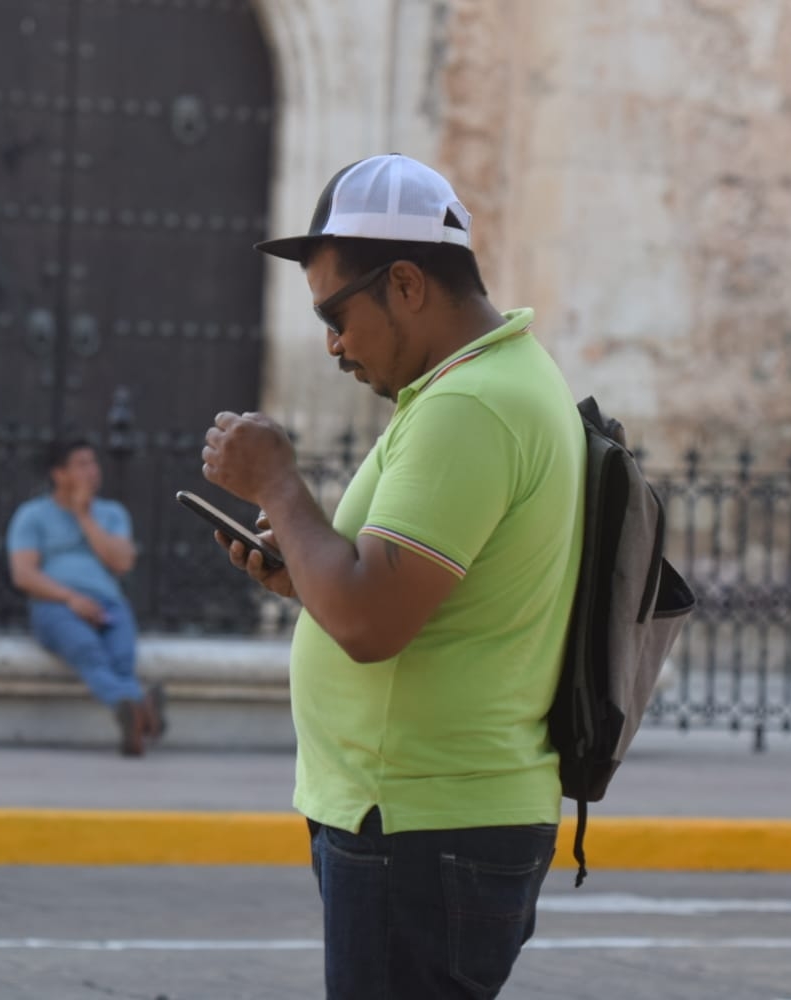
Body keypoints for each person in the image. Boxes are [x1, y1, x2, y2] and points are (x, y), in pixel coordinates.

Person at [200, 153, 585, 999]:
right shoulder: (478, 386)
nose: (333, 344)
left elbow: (373, 624)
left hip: (422, 819)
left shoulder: (470, 407)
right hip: (420, 814)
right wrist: (306, 568)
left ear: (406, 283)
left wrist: (276, 482)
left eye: (336, 314)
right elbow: (399, 594)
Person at [6, 439, 163, 757]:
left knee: (121, 658)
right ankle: (140, 710)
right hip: (56, 605)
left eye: (94, 463)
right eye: (82, 464)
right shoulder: (32, 515)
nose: (93, 471)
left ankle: (132, 714)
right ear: (59, 474)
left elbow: (121, 562)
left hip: (109, 603)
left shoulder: (112, 514)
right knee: (88, 651)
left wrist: (84, 516)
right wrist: (71, 599)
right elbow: (24, 574)